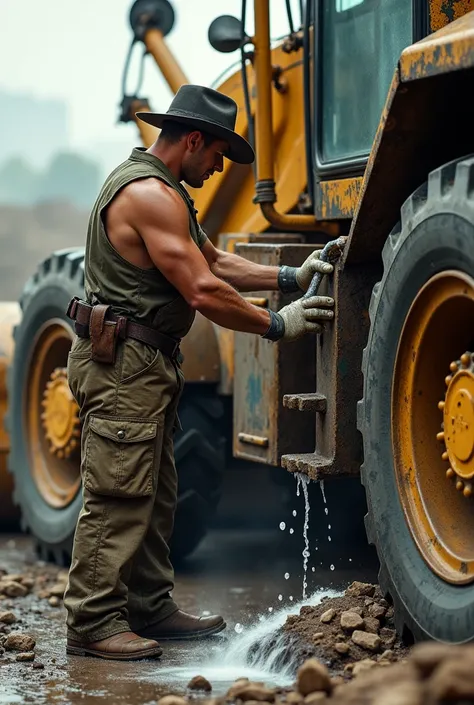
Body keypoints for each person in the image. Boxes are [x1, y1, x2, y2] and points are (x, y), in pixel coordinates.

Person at [63, 84, 334, 661]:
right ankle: (92, 622)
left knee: (156, 492)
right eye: (216, 156)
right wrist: (277, 325)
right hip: (123, 366)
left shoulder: (167, 195)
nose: (216, 168)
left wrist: (290, 275)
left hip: (145, 361)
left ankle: (148, 606)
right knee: (117, 495)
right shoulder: (148, 195)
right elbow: (204, 289)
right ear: (193, 140)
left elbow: (214, 261)